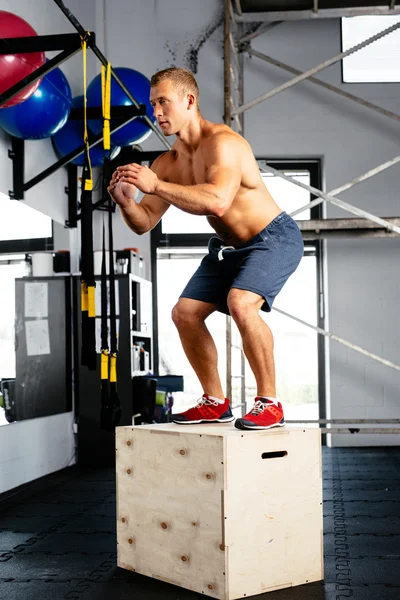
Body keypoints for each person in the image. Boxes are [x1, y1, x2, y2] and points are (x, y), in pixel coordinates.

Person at [108, 67, 304, 430]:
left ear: (190, 100)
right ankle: (215, 401)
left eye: (163, 102)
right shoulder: (167, 163)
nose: (157, 113)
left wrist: (155, 185)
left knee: (241, 303)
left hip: (273, 238)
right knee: (184, 313)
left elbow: (217, 200)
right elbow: (145, 221)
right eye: (153, 104)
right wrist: (126, 202)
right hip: (227, 249)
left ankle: (270, 402)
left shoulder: (223, 143)